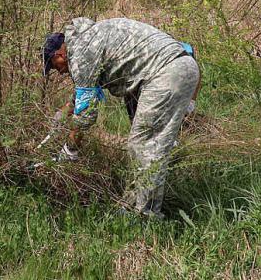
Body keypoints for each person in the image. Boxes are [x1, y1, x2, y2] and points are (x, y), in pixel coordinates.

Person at [41, 17, 201, 218]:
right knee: (143, 145)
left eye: (54, 65)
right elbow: (188, 50)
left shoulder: (81, 54)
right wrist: (62, 115)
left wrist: (69, 150)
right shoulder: (90, 38)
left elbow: (86, 115)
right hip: (180, 69)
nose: (58, 71)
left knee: (145, 146)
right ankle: (132, 207)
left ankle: (145, 217)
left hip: (165, 76)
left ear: (60, 54)